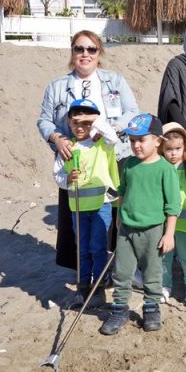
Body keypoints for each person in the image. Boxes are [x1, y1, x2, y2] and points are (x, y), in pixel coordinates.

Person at [38, 30, 139, 270]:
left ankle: (118, 266)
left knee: (114, 216)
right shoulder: (57, 86)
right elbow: (44, 120)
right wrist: (58, 138)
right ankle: (83, 269)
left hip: (113, 157)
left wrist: (109, 129)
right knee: (80, 217)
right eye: (79, 49)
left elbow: (132, 112)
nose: (85, 54)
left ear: (99, 52)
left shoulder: (115, 81)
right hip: (76, 159)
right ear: (72, 52)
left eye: (91, 49)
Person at [99, 114, 181, 335]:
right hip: (126, 229)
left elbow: (173, 205)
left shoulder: (165, 169)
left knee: (152, 273)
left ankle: (152, 308)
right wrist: (119, 219)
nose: (136, 145)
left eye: (141, 140)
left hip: (153, 231)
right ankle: (119, 310)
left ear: (157, 141)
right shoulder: (128, 164)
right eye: (132, 140)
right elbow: (123, 192)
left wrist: (169, 234)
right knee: (122, 272)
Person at [52, 99, 119, 308]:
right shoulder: (67, 147)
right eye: (75, 123)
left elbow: (113, 136)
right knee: (82, 248)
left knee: (98, 248)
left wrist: (94, 119)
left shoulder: (102, 143)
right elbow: (57, 175)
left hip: (101, 206)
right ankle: (83, 287)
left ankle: (98, 288)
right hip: (78, 208)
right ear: (69, 123)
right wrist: (67, 179)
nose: (80, 127)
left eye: (86, 123)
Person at [160, 123, 186, 305]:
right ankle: (165, 286)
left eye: (177, 148)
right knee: (164, 256)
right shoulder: (159, 167)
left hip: (185, 223)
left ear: (184, 147)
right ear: (161, 149)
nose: (173, 153)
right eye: (168, 149)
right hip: (162, 222)